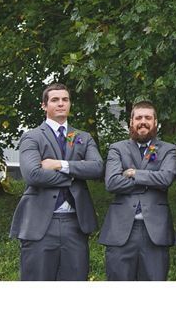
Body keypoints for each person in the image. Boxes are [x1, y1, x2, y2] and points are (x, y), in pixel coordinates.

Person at [9, 83, 104, 280]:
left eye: (65, 99)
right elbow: (33, 175)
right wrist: (76, 174)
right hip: (40, 223)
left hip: (75, 224)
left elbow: (97, 168)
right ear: (44, 105)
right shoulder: (31, 137)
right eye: (55, 100)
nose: (61, 103)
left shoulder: (83, 138)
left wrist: (60, 165)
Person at [98, 99, 176, 280]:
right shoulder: (117, 148)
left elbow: (165, 179)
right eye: (138, 117)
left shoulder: (168, 149)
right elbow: (112, 182)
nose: (143, 121)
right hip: (120, 231)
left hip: (155, 232)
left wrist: (133, 173)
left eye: (148, 118)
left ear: (155, 122)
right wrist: (150, 179)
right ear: (131, 122)